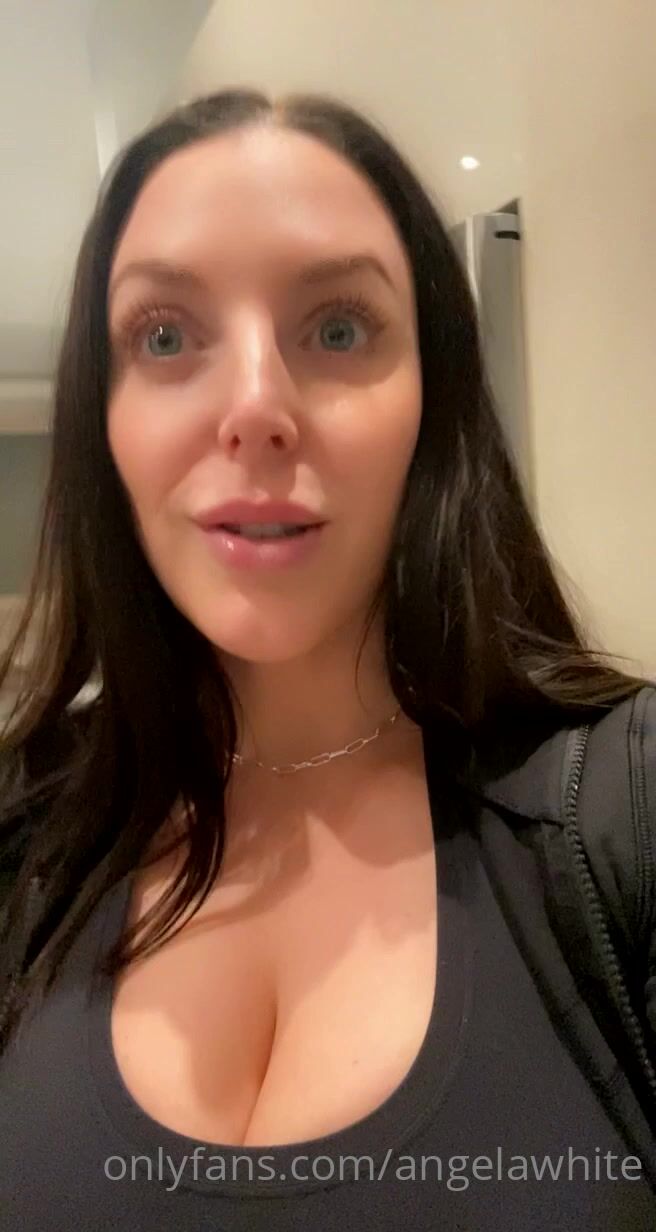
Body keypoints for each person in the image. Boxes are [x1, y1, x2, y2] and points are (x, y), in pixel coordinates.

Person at [0, 87, 654, 1230]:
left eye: (338, 328)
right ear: (104, 418)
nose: (255, 406)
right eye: (165, 336)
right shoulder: (24, 829)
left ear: (432, 399)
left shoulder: (624, 810)